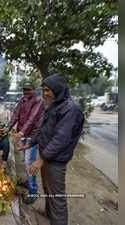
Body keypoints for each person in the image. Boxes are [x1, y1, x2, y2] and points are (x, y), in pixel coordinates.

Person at [28, 73, 84, 225]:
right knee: (48, 190)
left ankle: (57, 220)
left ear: (57, 89)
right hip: (46, 156)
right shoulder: (55, 105)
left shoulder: (71, 109)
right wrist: (31, 143)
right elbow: (44, 129)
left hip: (55, 161)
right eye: (44, 90)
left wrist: (41, 159)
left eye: (47, 90)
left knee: (56, 197)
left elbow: (60, 139)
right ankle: (48, 215)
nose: (45, 93)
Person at [8, 82, 45, 204]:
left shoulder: (38, 100)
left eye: (29, 90)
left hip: (32, 136)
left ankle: (33, 191)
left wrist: (21, 133)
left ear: (34, 90)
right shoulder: (22, 100)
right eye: (24, 90)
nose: (26, 92)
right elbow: (15, 114)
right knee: (25, 161)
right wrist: (7, 128)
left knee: (30, 162)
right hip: (22, 134)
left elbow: (32, 118)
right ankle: (28, 182)